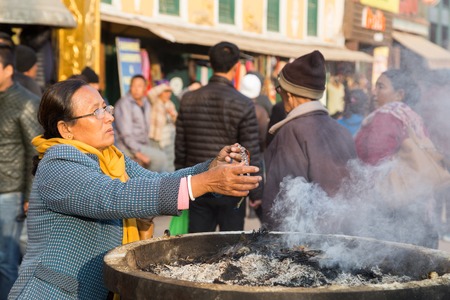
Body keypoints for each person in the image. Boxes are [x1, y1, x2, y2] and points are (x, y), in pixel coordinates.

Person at [8, 78, 262, 299]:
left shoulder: (111, 157)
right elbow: (113, 196)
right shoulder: (57, 163)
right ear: (66, 129)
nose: (109, 116)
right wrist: (205, 182)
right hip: (55, 293)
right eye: (95, 112)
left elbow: (153, 181)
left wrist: (209, 169)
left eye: (106, 107)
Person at [261, 50, 357, 230]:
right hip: (342, 237)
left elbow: (281, 201)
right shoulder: (342, 130)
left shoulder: (290, 132)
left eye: (279, 90)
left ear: (289, 94)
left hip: (306, 240)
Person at [175, 41, 263, 233]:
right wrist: (256, 192)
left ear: (211, 64)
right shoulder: (244, 103)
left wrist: (180, 182)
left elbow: (180, 148)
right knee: (229, 251)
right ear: (236, 66)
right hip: (231, 187)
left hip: (197, 184)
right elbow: (250, 151)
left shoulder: (188, 99)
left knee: (197, 250)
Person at [354, 69, 440, 248]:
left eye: (381, 86)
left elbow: (373, 163)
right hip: (417, 208)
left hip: (391, 211)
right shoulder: (413, 117)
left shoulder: (386, 115)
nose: (374, 92)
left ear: (400, 94)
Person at [0, 43, 41, 300]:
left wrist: (29, 194)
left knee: (5, 259)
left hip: (10, 191)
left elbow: (35, 153)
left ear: (8, 70)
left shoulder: (26, 103)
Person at [114, 74, 169, 172]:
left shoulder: (146, 102)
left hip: (143, 144)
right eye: (133, 86)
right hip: (128, 148)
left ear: (144, 88)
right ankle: (150, 185)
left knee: (164, 156)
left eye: (139, 86)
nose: (135, 89)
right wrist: (138, 154)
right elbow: (125, 135)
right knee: (161, 158)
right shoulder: (124, 104)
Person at [148, 80, 178, 172]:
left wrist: (173, 116)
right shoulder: (155, 101)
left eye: (169, 92)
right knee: (157, 163)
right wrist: (164, 86)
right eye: (166, 91)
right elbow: (150, 93)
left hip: (169, 138)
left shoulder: (170, 104)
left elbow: (177, 121)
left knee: (169, 161)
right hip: (156, 137)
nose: (168, 94)